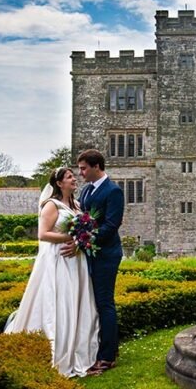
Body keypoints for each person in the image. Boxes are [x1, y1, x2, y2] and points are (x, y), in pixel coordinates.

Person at [5, 167, 99, 377]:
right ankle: (57, 349)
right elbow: (43, 234)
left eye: (73, 176)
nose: (74, 179)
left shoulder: (76, 205)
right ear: (59, 183)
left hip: (76, 260)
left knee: (78, 301)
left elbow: (85, 229)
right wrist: (72, 238)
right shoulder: (51, 205)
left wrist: (81, 239)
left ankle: (79, 349)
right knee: (61, 302)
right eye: (69, 177)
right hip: (59, 261)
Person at [64, 149, 122, 375]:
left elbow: (111, 226)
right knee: (93, 303)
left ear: (97, 166)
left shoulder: (113, 191)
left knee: (105, 303)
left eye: (84, 168)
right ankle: (98, 348)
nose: (81, 173)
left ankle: (108, 357)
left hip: (106, 255)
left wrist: (81, 242)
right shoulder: (87, 191)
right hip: (90, 253)